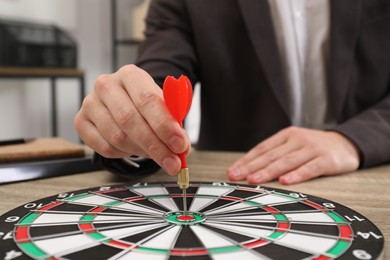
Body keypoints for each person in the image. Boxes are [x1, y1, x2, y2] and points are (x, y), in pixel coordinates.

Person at [75, 0, 390, 185]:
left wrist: (353, 140)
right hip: (238, 184)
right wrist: (131, 123)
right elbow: (158, 78)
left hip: (366, 175)